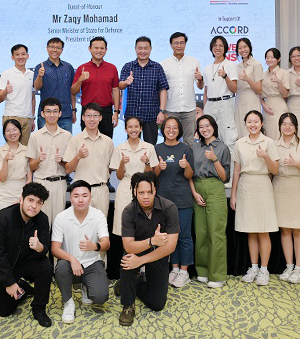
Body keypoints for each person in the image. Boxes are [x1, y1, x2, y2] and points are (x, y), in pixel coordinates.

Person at [0, 183, 53, 328]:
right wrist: (9, 282)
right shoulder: (1, 219)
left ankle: (39, 309)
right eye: (30, 200)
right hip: (0, 266)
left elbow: (45, 248)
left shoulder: (43, 219)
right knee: (5, 310)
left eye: (39, 203)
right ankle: (22, 286)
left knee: (45, 265)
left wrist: (40, 247)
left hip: (24, 261)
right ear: (21, 199)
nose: (34, 206)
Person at [116, 171, 179, 326]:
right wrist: (151, 241)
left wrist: (142, 260)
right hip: (136, 249)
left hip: (159, 252)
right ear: (134, 192)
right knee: (128, 260)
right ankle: (128, 305)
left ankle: (132, 284)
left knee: (157, 304)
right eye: (141, 192)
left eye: (149, 192)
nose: (146, 196)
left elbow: (170, 246)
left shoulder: (169, 208)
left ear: (155, 190)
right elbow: (128, 245)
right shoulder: (128, 212)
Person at [51, 181, 111, 324]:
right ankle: (68, 302)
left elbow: (106, 243)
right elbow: (54, 249)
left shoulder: (98, 215)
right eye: (76, 196)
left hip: (92, 262)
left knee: (101, 297)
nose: (80, 199)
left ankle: (86, 287)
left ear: (91, 197)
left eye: (85, 195)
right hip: (69, 265)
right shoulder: (61, 217)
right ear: (70, 198)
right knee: (61, 267)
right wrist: (72, 259)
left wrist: (95, 246)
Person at [231, 111, 279, 287]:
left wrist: (266, 156)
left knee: (263, 230)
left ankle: (264, 269)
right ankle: (253, 267)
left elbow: (275, 170)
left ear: (261, 123)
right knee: (250, 230)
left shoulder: (269, 142)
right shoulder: (239, 143)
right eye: (249, 121)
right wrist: (234, 194)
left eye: (256, 121)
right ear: (245, 123)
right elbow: (236, 171)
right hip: (245, 185)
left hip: (263, 185)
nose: (253, 124)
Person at [271, 113, 300, 284]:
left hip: (298, 188)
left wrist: (296, 164)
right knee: (285, 230)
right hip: (280, 187)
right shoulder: (273, 144)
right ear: (280, 126)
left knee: (298, 229)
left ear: (296, 127)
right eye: (284, 124)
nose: (287, 127)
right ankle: (289, 266)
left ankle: (298, 268)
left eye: (291, 124)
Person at [190, 115, 231, 288]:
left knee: (216, 232)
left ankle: (218, 275)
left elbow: (224, 177)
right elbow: (190, 174)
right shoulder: (194, 147)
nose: (204, 129)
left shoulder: (222, 148)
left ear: (213, 126)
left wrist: (215, 159)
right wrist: (194, 193)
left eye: (207, 125)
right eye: (201, 126)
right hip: (198, 187)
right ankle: (203, 271)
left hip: (215, 187)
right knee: (201, 233)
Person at [155, 116, 195, 288]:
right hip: (163, 200)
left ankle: (184, 271)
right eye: (168, 127)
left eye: (175, 128)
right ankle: (174, 268)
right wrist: (158, 167)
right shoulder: (156, 149)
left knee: (184, 236)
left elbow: (189, 176)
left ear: (179, 131)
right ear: (163, 129)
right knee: (169, 237)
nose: (171, 130)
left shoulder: (186, 149)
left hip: (182, 199)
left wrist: (186, 166)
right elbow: (152, 176)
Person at [65, 103, 120, 216]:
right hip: (81, 191)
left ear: (100, 118)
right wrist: (78, 156)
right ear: (83, 117)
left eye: (95, 115)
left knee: (100, 229)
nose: (92, 119)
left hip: (101, 190)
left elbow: (110, 167)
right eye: (88, 115)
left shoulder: (107, 141)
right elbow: (68, 169)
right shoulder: (75, 140)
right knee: (80, 228)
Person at [27, 97, 72, 225]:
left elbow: (69, 167)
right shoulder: (35, 136)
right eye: (48, 111)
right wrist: (39, 159)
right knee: (41, 224)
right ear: (42, 114)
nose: (51, 115)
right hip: (42, 183)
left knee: (58, 225)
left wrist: (62, 161)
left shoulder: (67, 136)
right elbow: (31, 166)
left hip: (60, 183)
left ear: (60, 114)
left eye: (55, 111)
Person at [112, 117, 159, 236]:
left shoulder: (149, 147)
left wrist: (147, 162)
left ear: (141, 128)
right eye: (130, 127)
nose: (133, 129)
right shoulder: (119, 148)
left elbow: (151, 175)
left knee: (143, 225)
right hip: (125, 187)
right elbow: (119, 176)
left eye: (136, 126)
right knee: (124, 226)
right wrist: (122, 163)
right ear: (126, 129)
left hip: (144, 188)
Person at [118, 36, 169, 144]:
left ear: (150, 49)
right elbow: (120, 85)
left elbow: (163, 89)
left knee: (150, 146)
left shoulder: (157, 67)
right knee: (131, 146)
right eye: (140, 48)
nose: (143, 51)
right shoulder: (128, 66)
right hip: (132, 114)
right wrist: (126, 82)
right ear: (135, 49)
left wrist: (162, 111)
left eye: (146, 48)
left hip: (151, 115)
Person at [71, 36, 120, 139]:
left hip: (106, 112)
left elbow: (115, 90)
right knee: (87, 143)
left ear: (106, 50)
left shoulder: (112, 68)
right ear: (90, 49)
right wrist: (80, 79)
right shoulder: (82, 68)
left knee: (106, 144)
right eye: (96, 48)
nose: (99, 51)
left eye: (102, 48)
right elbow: (73, 91)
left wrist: (116, 111)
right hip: (88, 112)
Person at [161, 32, 204, 145]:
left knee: (189, 141)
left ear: (185, 44)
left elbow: (200, 86)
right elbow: (161, 88)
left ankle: (188, 163)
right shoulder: (164, 64)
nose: (179, 46)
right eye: (176, 43)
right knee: (169, 139)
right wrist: (163, 110)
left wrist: (200, 79)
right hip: (171, 108)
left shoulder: (194, 62)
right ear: (171, 45)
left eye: (181, 43)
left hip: (189, 108)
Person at [203, 36, 239, 157]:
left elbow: (234, 88)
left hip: (225, 103)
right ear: (211, 48)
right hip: (210, 105)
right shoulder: (207, 68)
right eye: (215, 45)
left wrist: (225, 76)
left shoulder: (230, 65)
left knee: (228, 139)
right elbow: (206, 90)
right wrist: (205, 109)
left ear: (225, 48)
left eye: (220, 45)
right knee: (210, 139)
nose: (217, 48)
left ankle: (231, 175)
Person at [33, 38, 76, 132]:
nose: (55, 50)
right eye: (52, 47)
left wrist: (73, 110)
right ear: (47, 48)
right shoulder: (40, 67)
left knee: (66, 144)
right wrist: (40, 76)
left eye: (58, 47)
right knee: (44, 144)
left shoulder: (68, 67)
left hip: (65, 114)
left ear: (62, 50)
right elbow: (37, 87)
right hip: (46, 114)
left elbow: (72, 91)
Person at [0, 44, 36, 144]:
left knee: (25, 150)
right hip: (11, 115)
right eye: (17, 54)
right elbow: (0, 98)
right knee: (12, 148)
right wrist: (5, 91)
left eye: (23, 54)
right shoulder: (6, 73)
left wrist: (32, 117)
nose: (20, 57)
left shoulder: (32, 74)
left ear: (27, 56)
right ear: (12, 57)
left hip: (27, 117)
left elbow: (32, 97)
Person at [0, 119, 32, 214]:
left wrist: (24, 196)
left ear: (20, 132)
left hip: (20, 194)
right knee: (0, 225)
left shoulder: (27, 151)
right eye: (8, 130)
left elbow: (29, 179)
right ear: (4, 134)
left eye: (15, 129)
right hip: (3, 196)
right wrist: (5, 160)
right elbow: (2, 178)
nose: (12, 133)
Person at [234, 38, 265, 136]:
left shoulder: (256, 64)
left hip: (251, 99)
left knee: (252, 128)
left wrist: (247, 79)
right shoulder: (237, 66)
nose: (242, 50)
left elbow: (259, 90)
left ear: (250, 48)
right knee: (240, 129)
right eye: (240, 48)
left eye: (245, 47)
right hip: (239, 100)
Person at [261, 48, 290, 138]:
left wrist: (279, 82)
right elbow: (258, 92)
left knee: (278, 134)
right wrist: (263, 105)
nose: (269, 60)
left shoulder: (283, 73)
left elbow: (285, 94)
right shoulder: (263, 74)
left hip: (279, 106)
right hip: (266, 107)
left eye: (272, 57)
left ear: (278, 59)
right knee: (267, 135)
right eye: (267, 57)